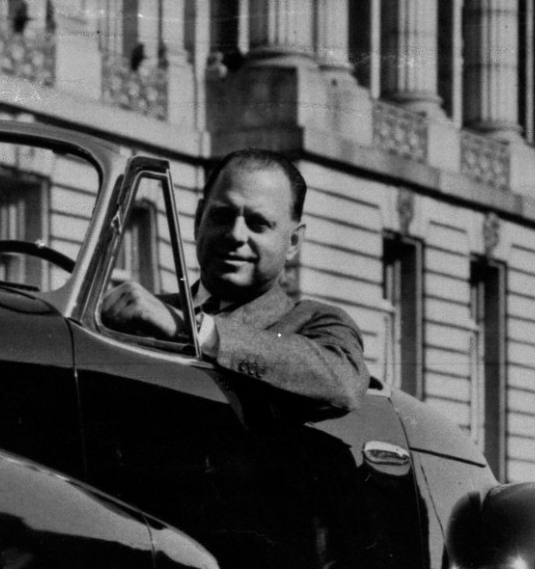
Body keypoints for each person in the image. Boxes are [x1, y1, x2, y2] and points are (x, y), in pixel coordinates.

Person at [99, 149, 368, 412]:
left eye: (258, 223)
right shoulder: (138, 314)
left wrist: (192, 330)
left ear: (293, 241)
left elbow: (343, 381)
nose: (235, 234)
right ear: (198, 220)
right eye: (222, 216)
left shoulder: (315, 321)